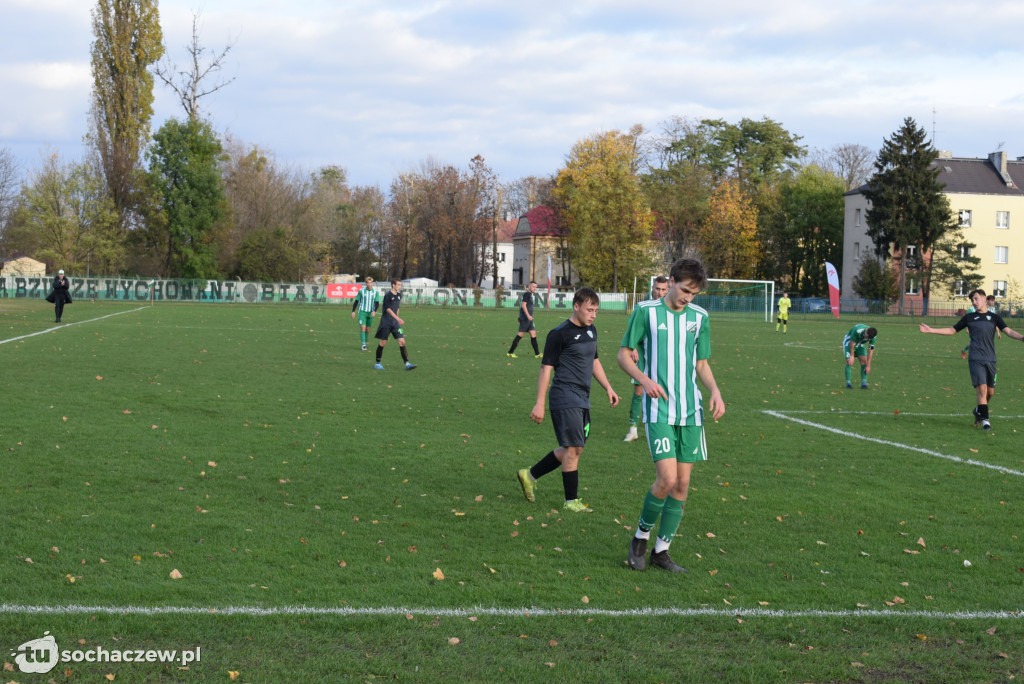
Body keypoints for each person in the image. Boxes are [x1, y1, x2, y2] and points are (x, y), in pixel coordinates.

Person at [618, 258, 725, 573]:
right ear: (673, 280)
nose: (688, 297)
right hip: (659, 409)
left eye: (693, 294)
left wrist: (715, 392)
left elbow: (701, 364)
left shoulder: (699, 318)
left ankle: (661, 552)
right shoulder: (646, 312)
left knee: (683, 483)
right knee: (666, 479)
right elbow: (624, 354)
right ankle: (640, 537)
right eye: (685, 290)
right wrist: (645, 379)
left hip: (690, 411)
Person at [516, 287, 619, 513]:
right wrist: (539, 403)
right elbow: (545, 369)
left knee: (574, 449)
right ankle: (571, 501)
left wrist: (608, 387)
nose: (593, 315)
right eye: (589, 310)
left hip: (583, 397)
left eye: (596, 310)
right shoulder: (559, 333)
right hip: (564, 395)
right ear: (576, 306)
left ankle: (529, 475)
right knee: (574, 448)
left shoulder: (592, 330)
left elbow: (594, 361)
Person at [920, 289, 1024, 431]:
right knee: (981, 389)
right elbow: (952, 330)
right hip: (975, 358)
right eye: (972, 300)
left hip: (991, 359)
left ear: (984, 298)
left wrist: (1022, 338)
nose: (974, 302)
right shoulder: (969, 318)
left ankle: (978, 410)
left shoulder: (994, 317)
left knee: (990, 392)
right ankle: (985, 421)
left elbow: (1008, 331)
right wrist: (931, 330)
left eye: (976, 299)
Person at [624, 276, 669, 442]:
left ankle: (664, 424)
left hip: (663, 358)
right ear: (652, 288)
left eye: (664, 289)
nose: (660, 292)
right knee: (638, 390)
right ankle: (633, 429)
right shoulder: (643, 308)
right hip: (643, 356)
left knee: (665, 390)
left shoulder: (670, 310)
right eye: (657, 289)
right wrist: (633, 347)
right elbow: (632, 331)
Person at [373, 278, 416, 371]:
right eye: (398, 285)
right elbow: (388, 309)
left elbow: (397, 307)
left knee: (402, 342)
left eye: (401, 285)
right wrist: (398, 318)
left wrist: (397, 319)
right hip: (386, 322)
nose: (400, 286)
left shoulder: (399, 295)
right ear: (393, 285)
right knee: (382, 343)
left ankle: (407, 363)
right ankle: (377, 363)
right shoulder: (388, 295)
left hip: (395, 323)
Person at [507, 281, 541, 358]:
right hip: (526, 319)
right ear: (529, 286)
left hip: (529, 319)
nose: (534, 288)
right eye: (533, 286)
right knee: (520, 335)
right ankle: (510, 352)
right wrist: (528, 315)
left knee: (533, 334)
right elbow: (523, 305)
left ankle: (537, 354)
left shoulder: (530, 295)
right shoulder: (527, 294)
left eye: (535, 287)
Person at [961, 294, 1000, 359]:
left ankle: (965, 350)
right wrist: (967, 328)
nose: (993, 302)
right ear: (987, 300)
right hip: (976, 328)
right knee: (975, 342)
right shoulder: (979, 308)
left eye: (994, 301)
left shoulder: (993, 309)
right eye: (992, 301)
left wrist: (998, 332)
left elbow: (995, 321)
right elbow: (968, 318)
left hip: (987, 329)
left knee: (985, 342)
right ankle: (967, 351)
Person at [843, 324, 877, 389]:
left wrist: (868, 366)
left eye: (869, 338)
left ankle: (864, 384)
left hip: (860, 344)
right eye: (867, 337)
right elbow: (852, 343)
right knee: (849, 362)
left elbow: (870, 351)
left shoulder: (873, 337)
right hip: (849, 342)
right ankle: (848, 384)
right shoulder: (857, 330)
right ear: (866, 331)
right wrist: (852, 356)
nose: (868, 339)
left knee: (864, 362)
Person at [351, 277, 379, 351]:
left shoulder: (376, 292)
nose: (369, 284)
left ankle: (365, 342)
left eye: (370, 282)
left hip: (370, 313)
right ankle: (363, 345)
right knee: (363, 328)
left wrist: (374, 311)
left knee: (367, 329)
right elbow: (356, 301)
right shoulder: (361, 291)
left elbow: (377, 303)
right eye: (367, 282)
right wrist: (353, 311)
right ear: (365, 283)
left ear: (372, 283)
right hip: (362, 312)